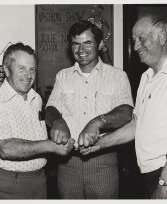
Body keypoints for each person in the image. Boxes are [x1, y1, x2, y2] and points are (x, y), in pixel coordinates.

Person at [80, 14, 167, 199]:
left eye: (141, 39)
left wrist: (164, 184)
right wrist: (98, 145)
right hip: (156, 173)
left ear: (162, 37)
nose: (136, 46)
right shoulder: (147, 77)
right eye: (134, 40)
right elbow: (135, 126)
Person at [45, 20, 134, 199]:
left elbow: (126, 111)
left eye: (87, 43)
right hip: (68, 163)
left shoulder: (117, 76)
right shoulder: (63, 76)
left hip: (103, 161)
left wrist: (97, 122)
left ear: (100, 44)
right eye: (76, 44)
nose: (81, 50)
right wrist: (57, 121)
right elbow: (50, 108)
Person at [0, 42, 75, 199]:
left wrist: (59, 130)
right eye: (21, 68)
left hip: (39, 181)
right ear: (6, 70)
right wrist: (51, 146)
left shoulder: (35, 98)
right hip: (6, 185)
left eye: (32, 69)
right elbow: (6, 148)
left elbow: (37, 135)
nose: (28, 75)